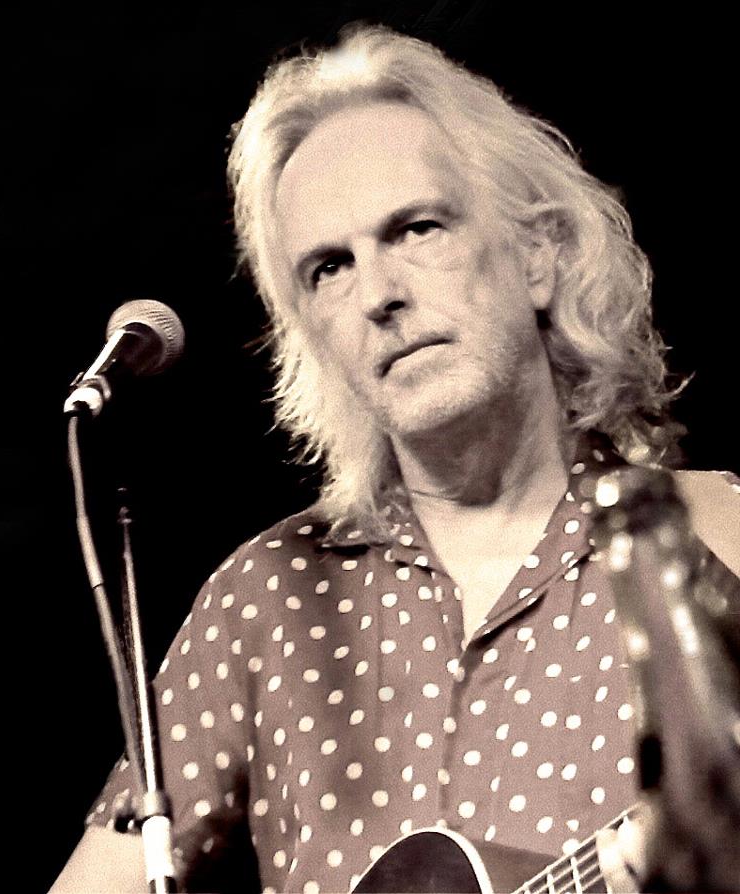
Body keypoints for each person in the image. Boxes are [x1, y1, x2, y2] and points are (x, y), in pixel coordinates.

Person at [51, 24, 740, 893]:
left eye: (417, 229)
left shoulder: (714, 539)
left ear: (538, 255)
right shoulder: (264, 600)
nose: (378, 294)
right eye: (329, 269)